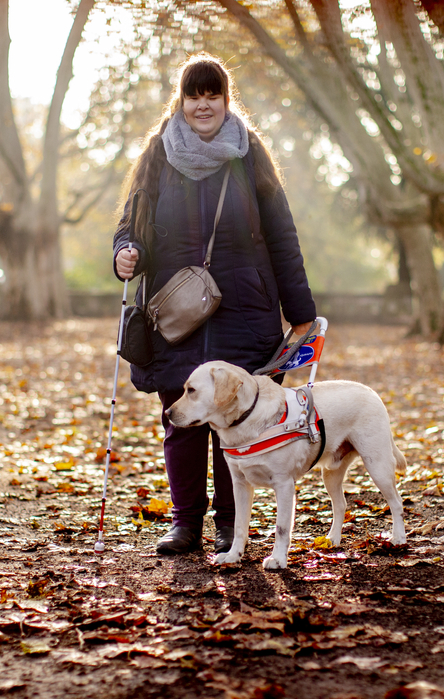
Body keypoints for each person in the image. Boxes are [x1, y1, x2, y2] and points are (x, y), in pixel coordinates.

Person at [113, 53, 316, 555]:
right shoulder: (158, 156)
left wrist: (301, 309)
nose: (203, 105)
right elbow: (130, 224)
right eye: (193, 95)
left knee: (241, 421)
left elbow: (282, 236)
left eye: (213, 95)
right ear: (180, 101)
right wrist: (124, 252)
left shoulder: (250, 155)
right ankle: (186, 525)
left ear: (227, 100)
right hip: (174, 308)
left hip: (244, 307)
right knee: (180, 417)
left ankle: (232, 525)